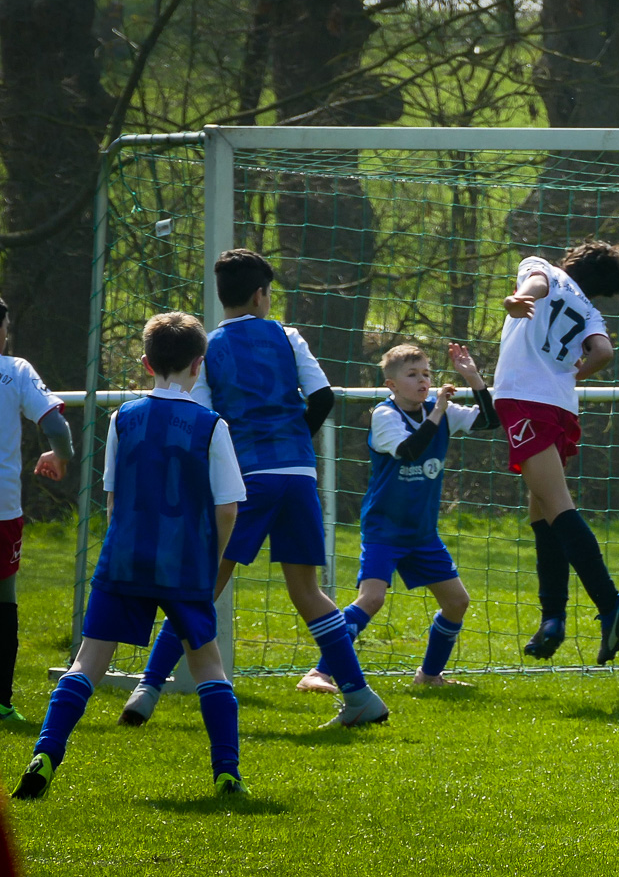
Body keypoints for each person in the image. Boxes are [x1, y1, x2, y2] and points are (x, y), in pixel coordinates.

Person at [120, 249, 387, 728]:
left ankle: (149, 686)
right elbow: (323, 397)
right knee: (308, 591)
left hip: (246, 478)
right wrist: (290, 442)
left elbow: (202, 419)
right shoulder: (288, 336)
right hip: (299, 474)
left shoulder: (210, 348)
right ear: (262, 295)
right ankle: (360, 696)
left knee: (199, 585)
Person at [12, 313, 248, 798]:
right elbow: (227, 509)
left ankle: (45, 755)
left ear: (146, 364)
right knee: (208, 666)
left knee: (88, 662)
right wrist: (210, 561)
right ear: (199, 366)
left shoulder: (123, 419)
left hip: (124, 559)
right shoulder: (211, 426)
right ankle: (227, 773)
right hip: (183, 564)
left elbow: (115, 499)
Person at [297, 343, 499, 692]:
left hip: (421, 532)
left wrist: (473, 377)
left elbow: (490, 420)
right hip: (384, 529)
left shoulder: (440, 412)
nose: (422, 381)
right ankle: (319, 673)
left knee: (457, 602)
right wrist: (438, 411)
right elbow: (409, 451)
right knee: (372, 599)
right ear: (391, 385)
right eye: (412, 375)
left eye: (426, 374)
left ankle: (430, 675)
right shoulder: (385, 415)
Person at [498, 241, 619, 666]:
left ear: (573, 262)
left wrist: (521, 297)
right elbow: (603, 352)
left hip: (526, 399)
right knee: (541, 509)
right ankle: (552, 619)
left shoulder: (541, 267)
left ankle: (611, 603)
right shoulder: (590, 311)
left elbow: (539, 282)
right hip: (560, 404)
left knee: (557, 505)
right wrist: (568, 373)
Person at [0, 298, 74, 722]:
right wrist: (59, 455)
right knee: (3, 603)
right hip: (2, 507)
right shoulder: (15, 371)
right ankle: (2, 701)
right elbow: (55, 424)